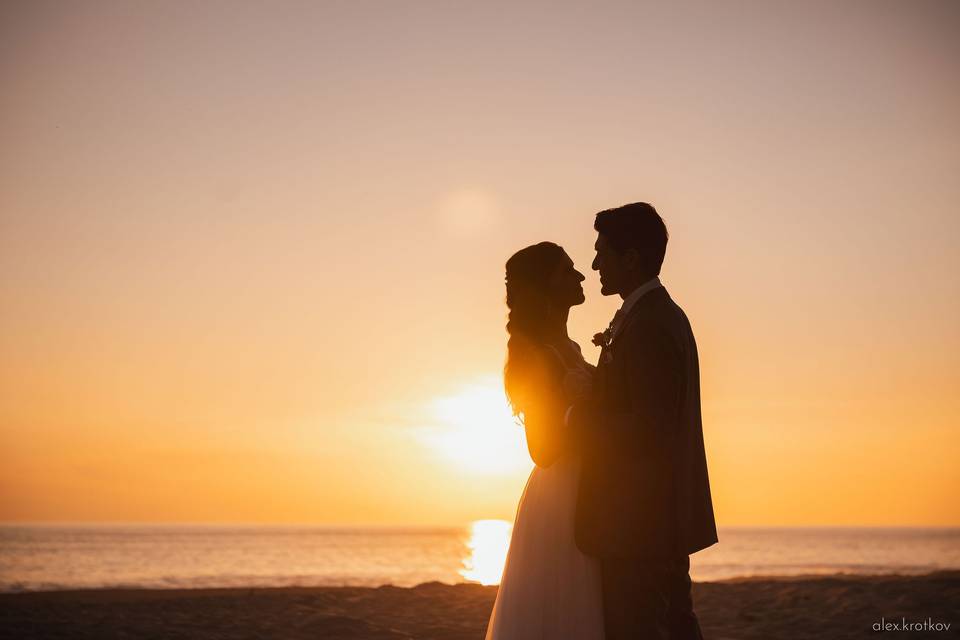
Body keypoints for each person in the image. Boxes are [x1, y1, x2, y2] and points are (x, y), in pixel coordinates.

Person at [567, 202, 718, 639]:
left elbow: (647, 429)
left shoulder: (649, 323)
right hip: (654, 518)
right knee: (674, 626)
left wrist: (578, 418)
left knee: (641, 628)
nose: (594, 263)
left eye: (602, 252)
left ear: (631, 258)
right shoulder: (652, 315)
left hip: (639, 523)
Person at [484, 241, 605, 640]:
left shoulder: (567, 348)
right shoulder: (536, 356)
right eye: (567, 270)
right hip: (560, 501)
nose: (580, 275)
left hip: (586, 489)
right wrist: (580, 411)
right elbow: (542, 449)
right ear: (545, 286)